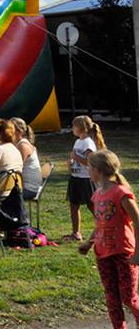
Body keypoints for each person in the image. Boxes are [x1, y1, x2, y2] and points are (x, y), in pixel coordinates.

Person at [78, 150, 139, 329]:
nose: (88, 171)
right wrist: (89, 243)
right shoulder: (97, 195)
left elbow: (137, 222)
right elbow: (100, 224)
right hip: (103, 254)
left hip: (124, 253)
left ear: (98, 170)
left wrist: (137, 254)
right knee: (112, 299)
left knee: (128, 298)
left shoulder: (121, 193)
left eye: (90, 168)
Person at [66, 114, 106, 242]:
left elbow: (90, 162)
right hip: (76, 177)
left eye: (74, 126)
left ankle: (106, 226)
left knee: (92, 206)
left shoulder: (88, 143)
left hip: (86, 179)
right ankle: (76, 233)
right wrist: (71, 163)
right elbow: (75, 159)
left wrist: (76, 157)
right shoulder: (78, 141)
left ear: (81, 128)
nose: (72, 128)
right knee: (74, 205)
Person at [11, 117, 42, 202]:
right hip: (27, 187)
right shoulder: (20, 144)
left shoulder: (22, 146)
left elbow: (16, 168)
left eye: (11, 129)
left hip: (29, 189)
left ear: (20, 131)